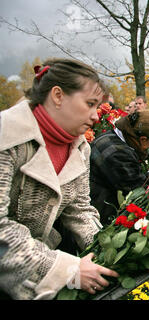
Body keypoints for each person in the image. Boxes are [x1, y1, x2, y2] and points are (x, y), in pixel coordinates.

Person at [0, 58, 119, 300]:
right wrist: (67, 269)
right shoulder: (7, 137)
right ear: (57, 95)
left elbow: (80, 210)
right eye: (90, 104)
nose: (96, 116)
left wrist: (110, 252)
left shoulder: (80, 147)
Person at [89, 110, 149, 225]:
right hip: (97, 213)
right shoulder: (118, 154)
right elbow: (137, 188)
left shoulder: (109, 136)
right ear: (143, 139)